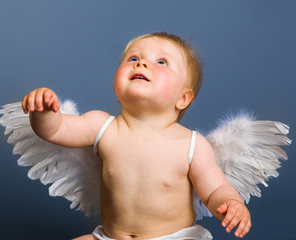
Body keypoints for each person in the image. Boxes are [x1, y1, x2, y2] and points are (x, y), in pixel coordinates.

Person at [22, 32, 251, 239]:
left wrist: (230, 202)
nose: (141, 63)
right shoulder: (103, 126)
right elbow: (55, 130)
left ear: (183, 98)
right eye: (133, 59)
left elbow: (214, 190)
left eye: (161, 62)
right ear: (116, 88)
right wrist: (44, 112)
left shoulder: (192, 145)